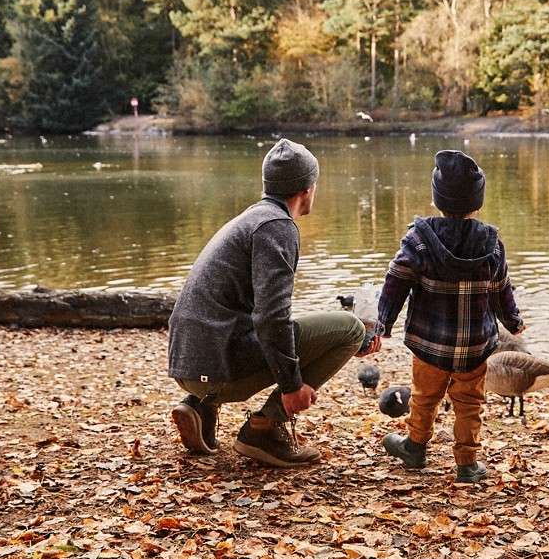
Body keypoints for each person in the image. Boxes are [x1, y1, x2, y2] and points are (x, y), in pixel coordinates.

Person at [167, 138, 379, 468]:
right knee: (350, 329)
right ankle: (264, 429)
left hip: (187, 362)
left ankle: (201, 406)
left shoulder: (251, 218)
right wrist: (292, 385)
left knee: (313, 328)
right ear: (307, 188)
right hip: (217, 367)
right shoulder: (278, 227)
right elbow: (271, 317)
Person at [375, 150, 524, 484]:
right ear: (478, 203)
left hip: (429, 344)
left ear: (437, 199)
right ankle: (467, 464)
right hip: (474, 347)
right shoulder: (491, 243)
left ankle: (415, 447)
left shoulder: (419, 239)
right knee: (470, 402)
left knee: (424, 397)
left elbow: (396, 280)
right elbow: (501, 289)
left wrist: (383, 322)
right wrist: (513, 321)